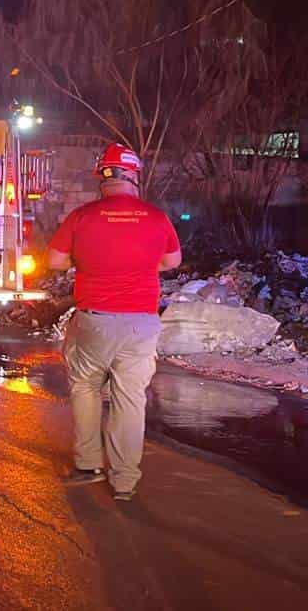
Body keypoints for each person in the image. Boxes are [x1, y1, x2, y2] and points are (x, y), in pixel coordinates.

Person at [46, 144, 181, 502]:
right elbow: (172, 261)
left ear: (102, 178)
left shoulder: (82, 216)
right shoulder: (156, 217)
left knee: (86, 388)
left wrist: (87, 259)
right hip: (140, 324)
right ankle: (124, 481)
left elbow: (55, 261)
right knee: (129, 399)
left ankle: (88, 464)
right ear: (134, 175)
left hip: (93, 322)